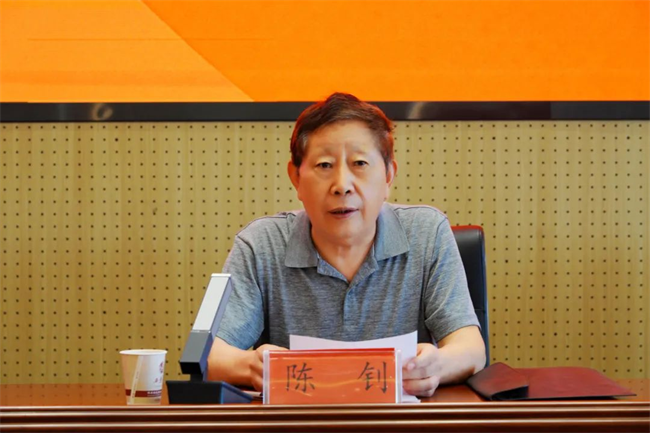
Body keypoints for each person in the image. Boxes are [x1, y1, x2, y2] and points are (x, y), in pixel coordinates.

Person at [207, 92, 486, 397]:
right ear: (296, 178)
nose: (342, 185)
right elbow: (208, 355)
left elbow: (471, 348)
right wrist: (253, 366)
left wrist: (435, 366)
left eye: (360, 163)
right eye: (325, 165)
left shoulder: (427, 234)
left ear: (388, 175)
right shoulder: (260, 244)